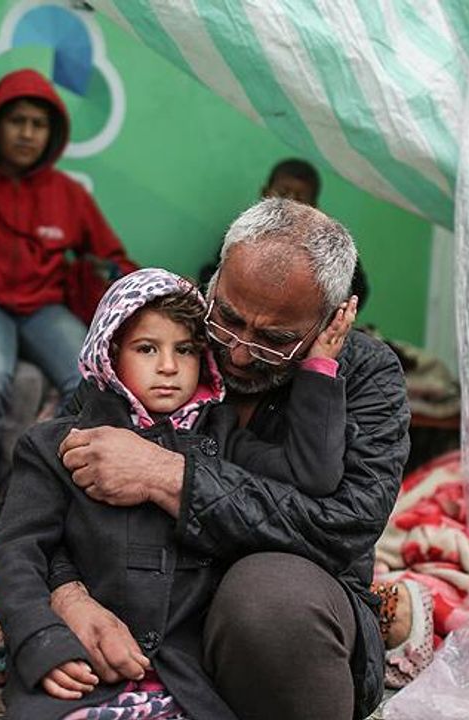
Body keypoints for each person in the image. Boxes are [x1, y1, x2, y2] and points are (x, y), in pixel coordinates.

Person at [50, 199, 411, 720]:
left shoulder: (367, 375)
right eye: (228, 319)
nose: (239, 353)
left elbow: (344, 527)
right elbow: (41, 486)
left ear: (332, 321)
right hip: (137, 601)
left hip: (279, 618)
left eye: (275, 341)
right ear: (214, 282)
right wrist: (68, 595)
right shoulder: (159, 333)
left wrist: (169, 477)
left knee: (271, 600)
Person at [0, 267, 357, 719]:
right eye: (147, 348)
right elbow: (17, 554)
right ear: (108, 353)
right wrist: (41, 642)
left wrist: (319, 369)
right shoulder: (57, 445)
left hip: (188, 680)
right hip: (83, 669)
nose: (168, 366)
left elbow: (311, 475)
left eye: (185, 350)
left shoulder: (222, 441)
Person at [0, 68, 137, 541]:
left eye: (38, 124)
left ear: (53, 134)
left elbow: (113, 259)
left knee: (92, 377)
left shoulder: (68, 195)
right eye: (16, 121)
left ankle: (46, 505)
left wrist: (125, 283)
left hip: (44, 306)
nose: (26, 133)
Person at [198, 158, 370, 310]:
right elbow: (218, 271)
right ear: (265, 193)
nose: (290, 202)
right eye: (282, 193)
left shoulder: (325, 246)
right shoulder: (247, 232)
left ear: (314, 207)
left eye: (300, 198)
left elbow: (358, 290)